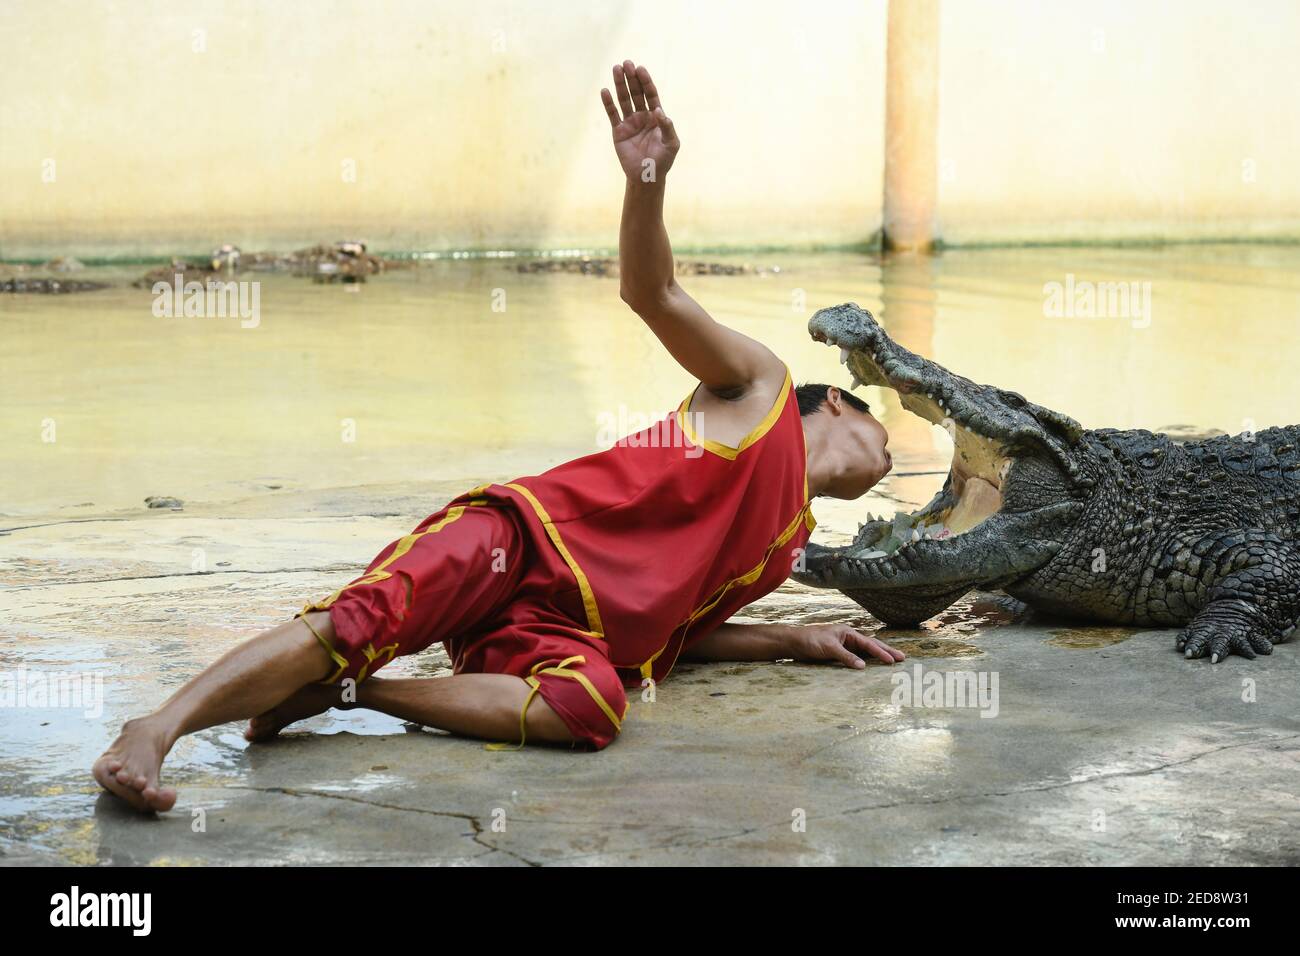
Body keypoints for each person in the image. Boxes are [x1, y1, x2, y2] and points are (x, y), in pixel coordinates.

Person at [92, 60, 902, 813]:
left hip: (559, 634)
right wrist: (647, 178)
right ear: (835, 407)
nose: (894, 446)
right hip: (515, 542)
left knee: (591, 712)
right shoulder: (762, 388)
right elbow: (651, 292)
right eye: (882, 420)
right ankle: (155, 729)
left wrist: (795, 636)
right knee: (355, 625)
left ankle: (351, 693)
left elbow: (682, 631)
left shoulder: (789, 541)